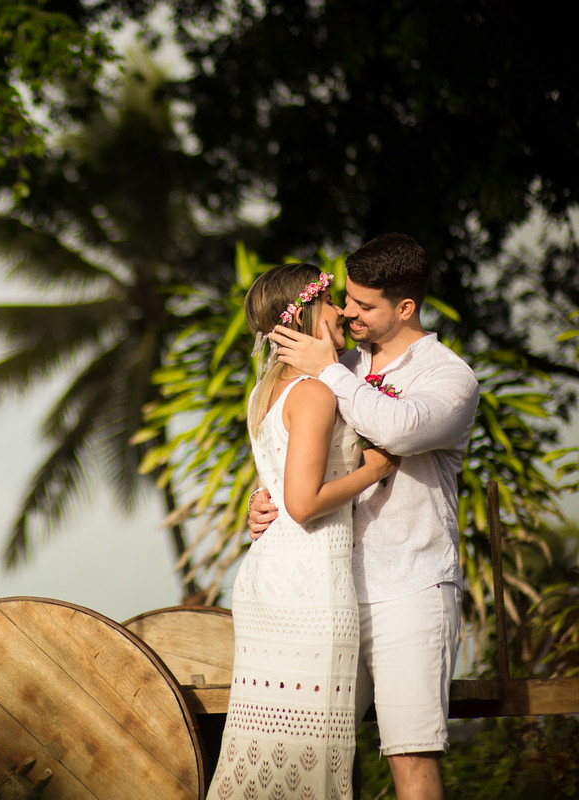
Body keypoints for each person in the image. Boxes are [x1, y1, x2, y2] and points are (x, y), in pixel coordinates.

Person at [254, 233, 480, 800]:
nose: (348, 312)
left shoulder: (449, 378)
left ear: (405, 307)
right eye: (347, 298)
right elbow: (297, 449)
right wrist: (264, 500)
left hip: (411, 587)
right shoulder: (340, 360)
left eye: (364, 304)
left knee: (410, 757)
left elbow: (398, 430)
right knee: (313, 755)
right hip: (329, 593)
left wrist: (329, 371)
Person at [208, 262, 398, 800]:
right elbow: (303, 503)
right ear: (308, 312)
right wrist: (374, 469)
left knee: (269, 743)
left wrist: (257, 499)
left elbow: (277, 480)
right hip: (310, 581)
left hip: (271, 577)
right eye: (331, 300)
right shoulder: (314, 392)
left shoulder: (266, 391)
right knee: (314, 752)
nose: (341, 310)